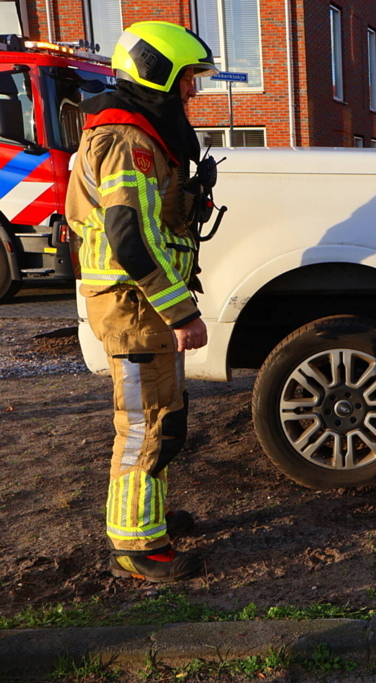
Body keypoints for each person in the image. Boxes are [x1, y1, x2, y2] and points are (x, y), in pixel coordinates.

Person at [65, 21, 218, 582]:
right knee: (144, 425)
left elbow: (156, 224)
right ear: (158, 75)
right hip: (137, 309)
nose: (192, 95)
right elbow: (130, 236)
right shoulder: (127, 141)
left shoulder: (144, 135)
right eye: (187, 82)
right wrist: (182, 312)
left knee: (164, 418)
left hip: (144, 308)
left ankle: (149, 517)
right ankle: (136, 546)